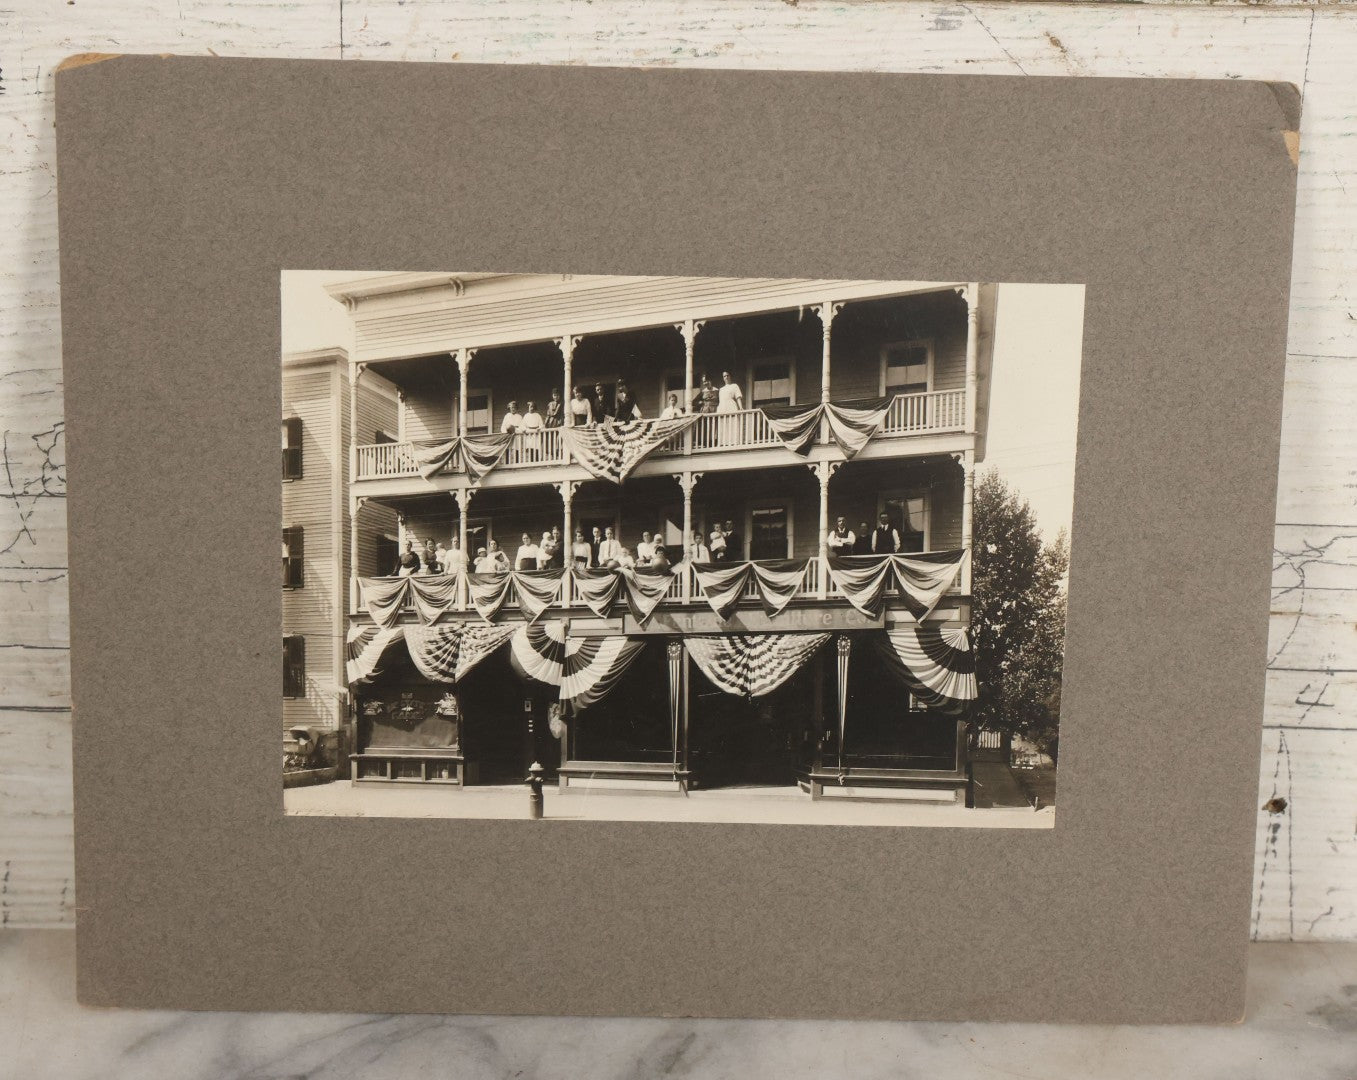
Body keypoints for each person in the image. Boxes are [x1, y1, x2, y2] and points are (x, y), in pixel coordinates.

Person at [716, 371, 743, 444]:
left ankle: (734, 442)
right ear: (723, 378)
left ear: (730, 376)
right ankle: (724, 443)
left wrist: (740, 407)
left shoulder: (734, 386)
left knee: (733, 423)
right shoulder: (721, 389)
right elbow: (720, 400)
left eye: (727, 375)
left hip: (731, 405)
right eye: (724, 376)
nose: (726, 377)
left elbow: (738, 397)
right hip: (722, 407)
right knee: (723, 425)